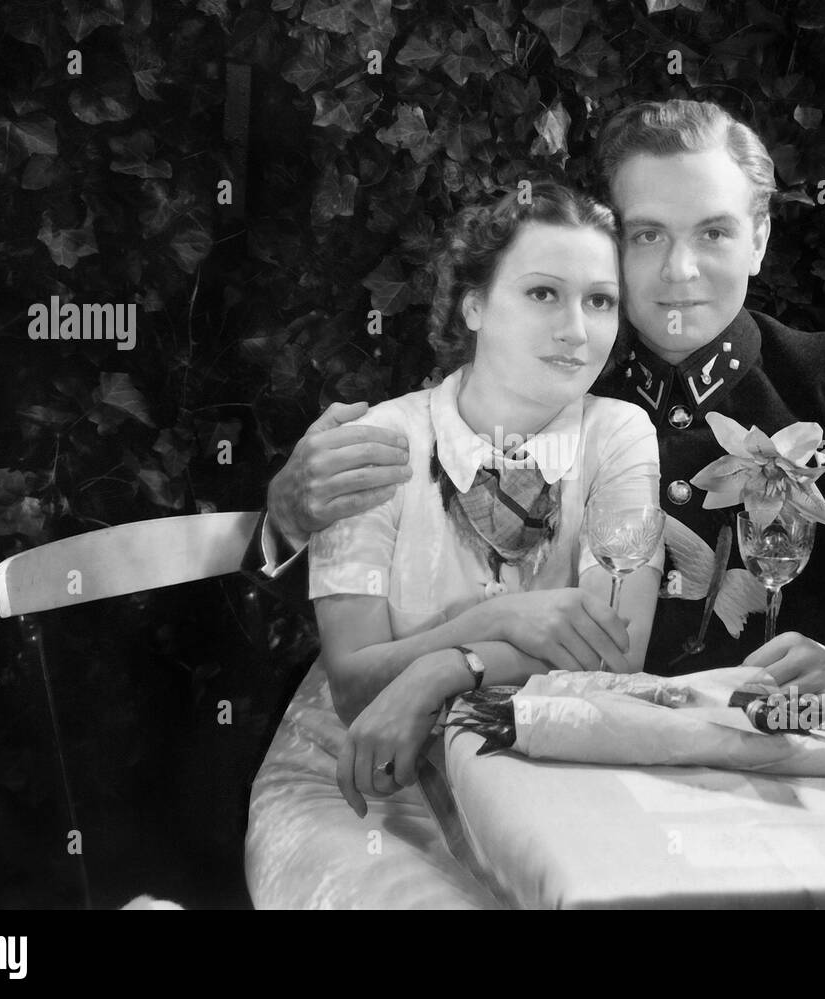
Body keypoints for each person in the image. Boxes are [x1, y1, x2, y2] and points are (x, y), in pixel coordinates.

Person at [252, 99, 825, 710]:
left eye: (713, 232)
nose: (680, 270)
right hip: (566, 758)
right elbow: (379, 601)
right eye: (648, 235)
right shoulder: (546, 377)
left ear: (760, 240)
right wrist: (287, 520)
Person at [245, 182, 663, 908]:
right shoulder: (377, 443)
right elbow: (353, 686)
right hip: (361, 782)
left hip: (535, 783)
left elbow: (614, 654)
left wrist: (445, 667)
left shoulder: (620, 435)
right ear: (473, 306)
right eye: (542, 294)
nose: (576, 328)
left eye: (599, 300)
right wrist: (492, 625)